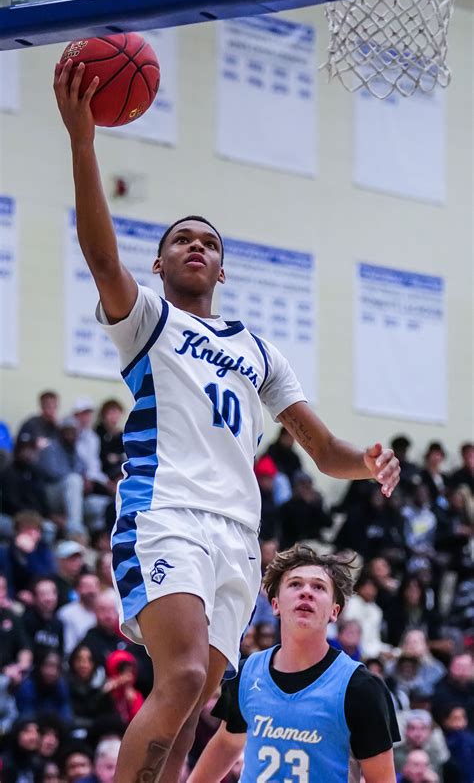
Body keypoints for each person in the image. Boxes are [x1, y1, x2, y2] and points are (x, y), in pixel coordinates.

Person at [54, 58, 400, 783]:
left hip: (237, 533)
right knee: (180, 675)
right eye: (182, 239)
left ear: (223, 269)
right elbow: (101, 257)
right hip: (167, 509)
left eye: (209, 243)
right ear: (159, 264)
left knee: (197, 703)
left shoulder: (260, 352)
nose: (196, 246)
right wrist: (84, 142)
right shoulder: (148, 321)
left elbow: (322, 448)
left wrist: (367, 463)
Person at [189, 544, 400, 782]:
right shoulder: (247, 673)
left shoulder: (362, 688)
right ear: (275, 605)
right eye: (295, 584)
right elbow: (227, 742)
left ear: (335, 611)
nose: (306, 592)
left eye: (318, 587)